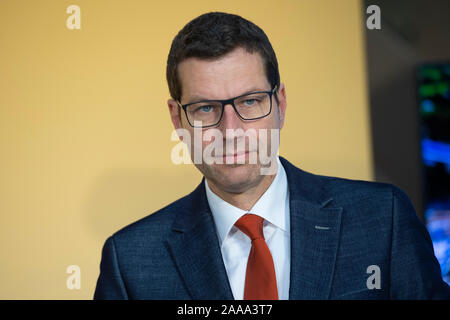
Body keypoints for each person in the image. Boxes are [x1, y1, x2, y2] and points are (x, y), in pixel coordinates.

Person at [93, 12, 450, 300]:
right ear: (177, 118)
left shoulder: (381, 219)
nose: (229, 130)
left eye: (249, 101)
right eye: (204, 108)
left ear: (280, 104)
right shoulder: (131, 262)